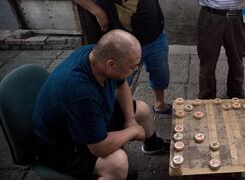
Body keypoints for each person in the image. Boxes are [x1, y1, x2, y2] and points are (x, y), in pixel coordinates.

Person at [33, 29, 170, 179]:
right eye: (132, 66)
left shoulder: (95, 55)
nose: (136, 69)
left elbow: (121, 84)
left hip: (87, 118)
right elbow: (99, 148)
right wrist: (133, 131)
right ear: (111, 64)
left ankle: (152, 145)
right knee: (118, 162)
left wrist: (130, 120)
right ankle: (112, 174)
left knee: (142, 109)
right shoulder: (82, 93)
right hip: (63, 147)